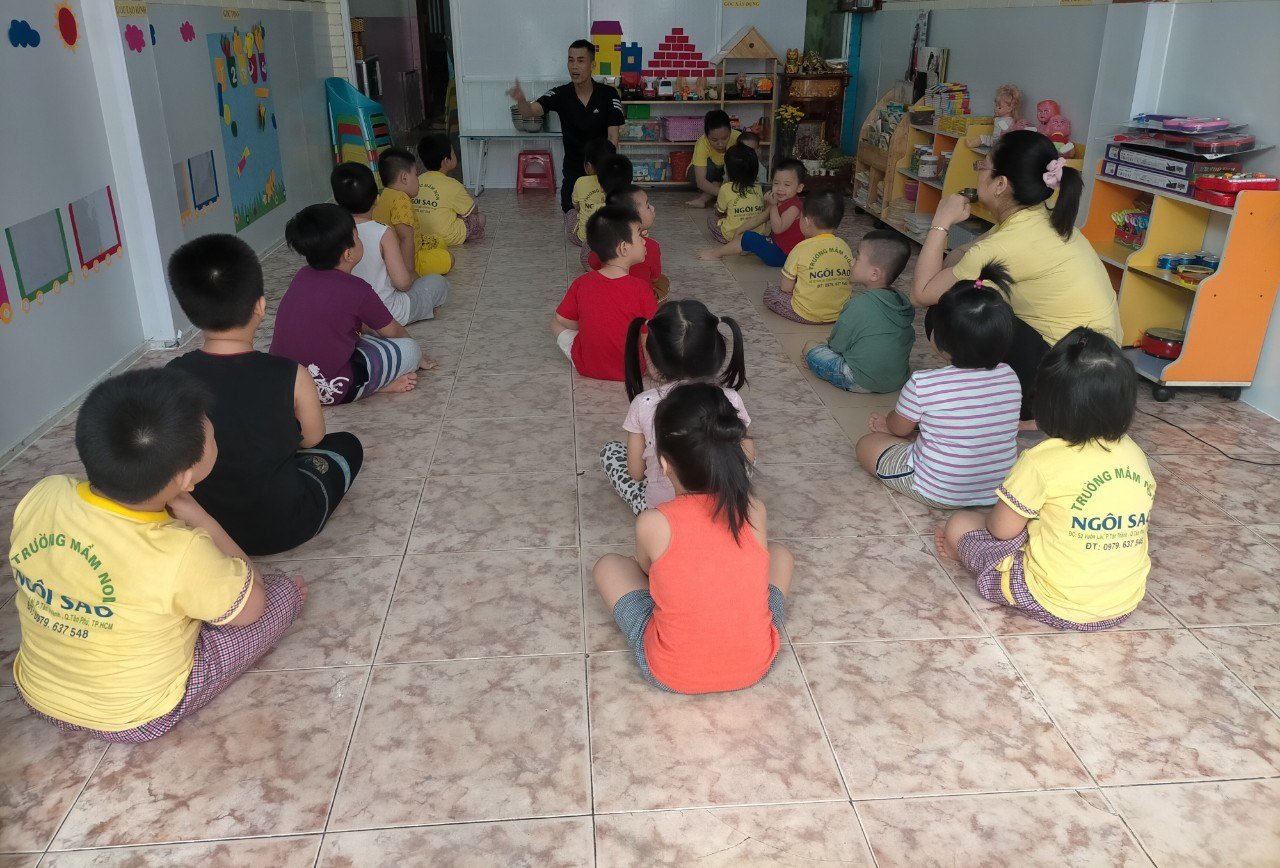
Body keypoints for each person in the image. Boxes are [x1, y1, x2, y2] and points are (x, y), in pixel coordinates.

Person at [9, 368, 307, 741]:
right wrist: (200, 517)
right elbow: (253, 606)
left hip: (37, 692)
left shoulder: (46, 493)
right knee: (275, 593)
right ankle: (285, 598)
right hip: (135, 717)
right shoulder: (184, 550)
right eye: (213, 433)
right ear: (186, 478)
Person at [939, 328, 1155, 631]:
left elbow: (1001, 530)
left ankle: (960, 553)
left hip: (1053, 601)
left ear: (1047, 401)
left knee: (960, 523)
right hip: (1122, 603)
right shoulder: (1135, 454)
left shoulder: (1041, 460)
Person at [166, 235, 364, 556]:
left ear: (188, 311)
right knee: (346, 445)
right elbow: (313, 439)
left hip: (206, 530)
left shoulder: (171, 377)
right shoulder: (291, 373)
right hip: (286, 527)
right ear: (260, 306)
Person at [592, 383, 793, 695]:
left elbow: (647, 573)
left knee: (608, 566)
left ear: (664, 463)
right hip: (755, 666)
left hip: (671, 673)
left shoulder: (653, 522)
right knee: (779, 554)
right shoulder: (754, 509)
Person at [909, 130, 1121, 419]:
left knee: (946, 313)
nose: (977, 173)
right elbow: (963, 256)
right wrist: (954, 269)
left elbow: (921, 294)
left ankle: (1014, 408)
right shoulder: (1038, 218)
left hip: (1067, 385)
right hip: (1098, 373)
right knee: (965, 293)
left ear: (1000, 184)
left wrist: (941, 221)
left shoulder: (1009, 241)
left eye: (982, 166)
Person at [855, 264, 1022, 508]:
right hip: (997, 488)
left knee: (865, 446)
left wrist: (888, 424)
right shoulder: (1009, 376)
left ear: (940, 340)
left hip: (940, 490)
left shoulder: (923, 384)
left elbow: (898, 429)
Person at [600, 300, 754, 514]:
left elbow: (635, 472)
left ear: (651, 355)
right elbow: (747, 458)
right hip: (723, 508)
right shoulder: (730, 398)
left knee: (610, 451)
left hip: (662, 513)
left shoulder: (643, 403)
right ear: (716, 352)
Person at [270, 204, 429, 404]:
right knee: (410, 350)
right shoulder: (358, 289)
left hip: (286, 385)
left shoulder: (302, 276)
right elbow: (394, 331)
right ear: (348, 254)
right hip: (331, 390)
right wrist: (418, 356)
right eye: (358, 237)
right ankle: (372, 387)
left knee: (360, 333)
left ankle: (369, 381)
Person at [507, 40, 625, 213]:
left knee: (605, 215)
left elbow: (613, 137)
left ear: (592, 65)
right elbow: (530, 111)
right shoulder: (560, 94)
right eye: (571, 60)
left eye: (580, 60)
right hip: (573, 171)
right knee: (571, 213)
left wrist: (604, 170)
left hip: (602, 171)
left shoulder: (609, 94)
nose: (574, 66)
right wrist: (521, 100)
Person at [332, 162, 451, 325]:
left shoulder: (333, 233)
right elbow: (402, 283)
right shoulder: (383, 232)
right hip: (391, 314)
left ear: (337, 200)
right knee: (437, 282)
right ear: (376, 199)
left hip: (353, 314)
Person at [552, 205, 657, 380]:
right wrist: (652, 367)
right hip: (633, 369)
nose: (645, 240)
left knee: (554, 323)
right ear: (624, 248)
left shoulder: (582, 282)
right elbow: (648, 333)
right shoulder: (642, 288)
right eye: (640, 235)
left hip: (588, 366)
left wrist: (589, 325)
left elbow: (562, 319)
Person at [804, 230, 915, 393]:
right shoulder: (902, 302)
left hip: (859, 380)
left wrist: (825, 348)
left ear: (874, 274)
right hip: (897, 380)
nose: (851, 261)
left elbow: (836, 346)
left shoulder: (858, 305)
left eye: (857, 257)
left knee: (810, 346)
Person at [764, 189, 853, 324]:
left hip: (806, 314)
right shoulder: (844, 246)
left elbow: (786, 288)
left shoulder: (800, 248)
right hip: (839, 313)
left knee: (772, 295)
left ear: (806, 221)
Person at [698, 158, 806, 265]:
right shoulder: (778, 202)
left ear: (799, 188)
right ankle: (735, 246)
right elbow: (758, 219)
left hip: (784, 255)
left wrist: (772, 206)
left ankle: (716, 254)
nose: (780, 188)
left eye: (787, 185)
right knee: (748, 236)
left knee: (749, 238)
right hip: (777, 246)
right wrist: (739, 231)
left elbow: (778, 228)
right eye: (776, 183)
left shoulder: (794, 207)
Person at [371, 147, 451, 277]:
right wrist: (409, 272)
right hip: (408, 259)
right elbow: (406, 238)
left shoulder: (385, 194)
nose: (418, 179)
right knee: (449, 259)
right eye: (415, 174)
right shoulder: (401, 199)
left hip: (399, 252)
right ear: (404, 178)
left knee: (439, 241)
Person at [586, 184, 668, 302]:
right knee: (663, 281)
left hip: (608, 295)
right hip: (638, 299)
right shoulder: (651, 246)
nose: (653, 208)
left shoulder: (603, 241)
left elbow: (593, 263)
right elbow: (655, 276)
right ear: (635, 217)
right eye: (648, 206)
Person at [414, 133, 485, 247]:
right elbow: (473, 210)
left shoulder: (418, 180)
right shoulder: (453, 185)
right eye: (453, 152)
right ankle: (468, 236)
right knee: (481, 218)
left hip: (420, 235)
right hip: (446, 237)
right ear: (446, 161)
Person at [709, 144, 765, 245]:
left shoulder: (725, 188)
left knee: (711, 218)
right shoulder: (758, 187)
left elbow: (719, 213)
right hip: (757, 234)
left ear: (728, 170)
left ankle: (729, 240)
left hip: (732, 235)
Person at [686, 110, 741, 208]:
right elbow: (700, 181)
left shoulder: (738, 138)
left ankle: (703, 198)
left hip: (726, 176)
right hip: (702, 174)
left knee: (727, 173)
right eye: (714, 140)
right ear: (707, 135)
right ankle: (717, 190)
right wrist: (728, 196)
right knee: (711, 170)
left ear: (730, 131)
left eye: (725, 138)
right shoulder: (702, 143)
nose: (720, 144)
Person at [567, 138, 617, 245]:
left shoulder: (580, 182)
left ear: (588, 165)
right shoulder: (620, 182)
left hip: (585, 239)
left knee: (571, 213)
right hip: (613, 239)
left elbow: (576, 206)